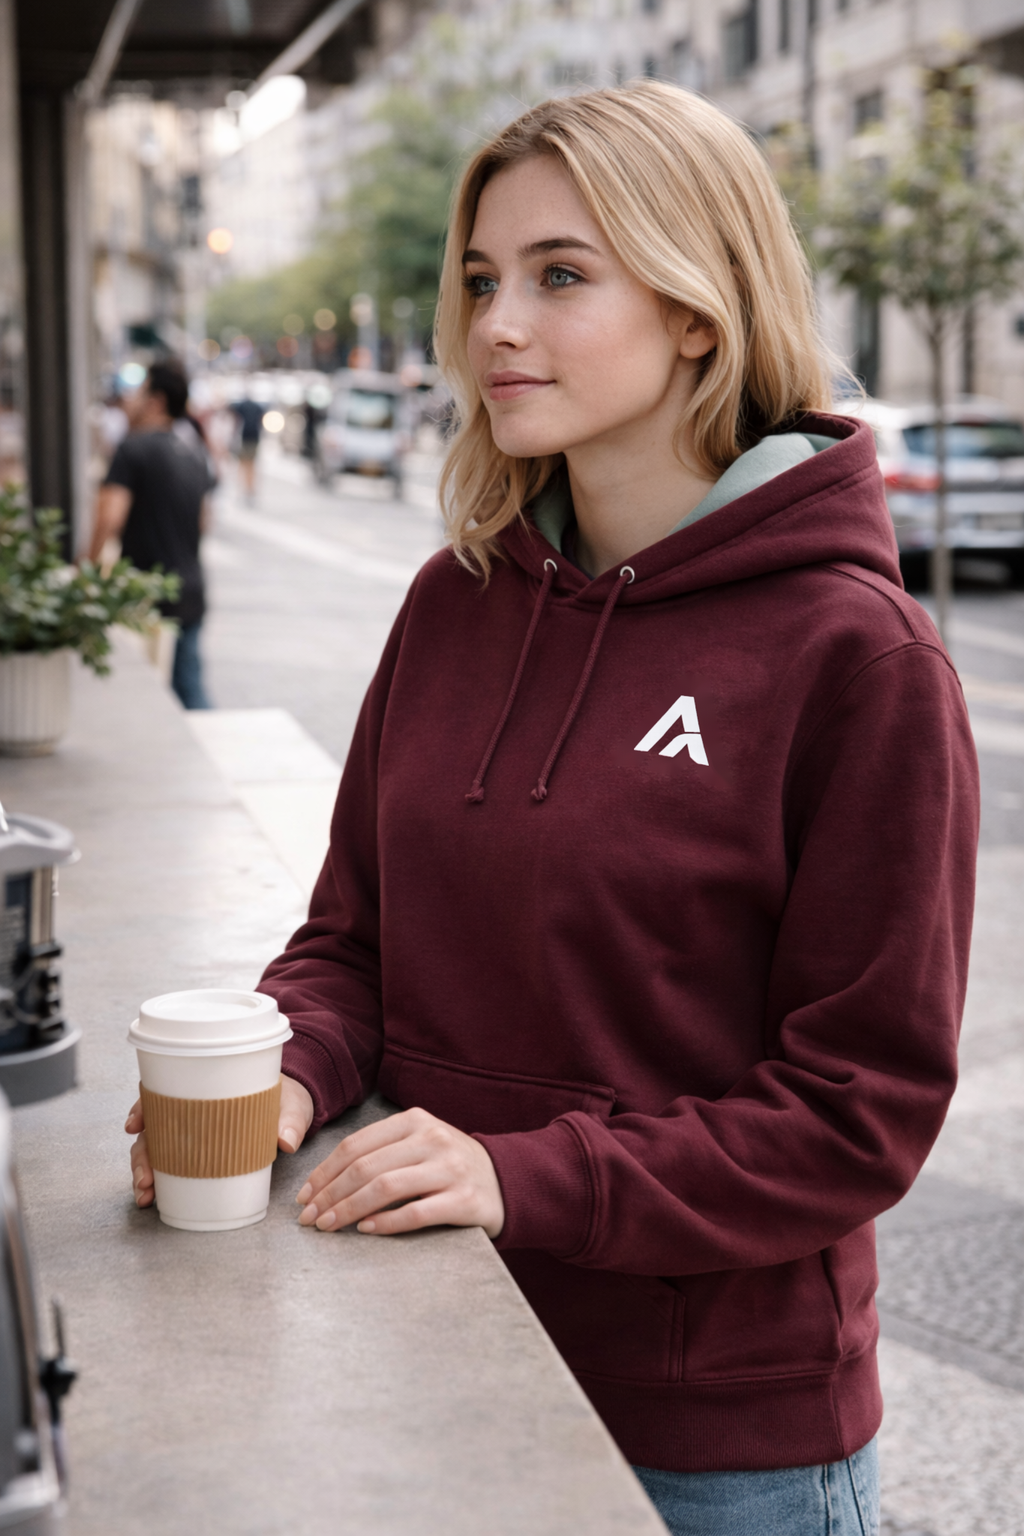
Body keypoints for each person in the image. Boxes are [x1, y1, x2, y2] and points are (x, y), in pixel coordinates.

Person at [127, 83, 978, 1534]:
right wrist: (288, 1077)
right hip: (429, 1348)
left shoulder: (858, 657)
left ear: (697, 310)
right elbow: (351, 941)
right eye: (479, 282)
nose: (495, 328)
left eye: (560, 276)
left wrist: (522, 1177)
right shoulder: (454, 602)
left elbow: (859, 1113)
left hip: (714, 1446)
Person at [90, 358, 215, 710]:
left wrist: (86, 571)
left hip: (145, 595)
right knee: (188, 687)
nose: (130, 400)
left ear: (156, 401)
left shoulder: (132, 450)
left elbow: (109, 518)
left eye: (138, 391)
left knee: (147, 699)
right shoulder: (194, 452)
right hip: (190, 588)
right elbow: (204, 521)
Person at [229, 391, 264, 502]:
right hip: (254, 437)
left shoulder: (242, 406)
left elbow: (236, 420)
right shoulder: (257, 407)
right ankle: (249, 489)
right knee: (251, 465)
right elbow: (261, 421)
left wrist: (233, 435)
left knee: (243, 465)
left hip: (245, 437)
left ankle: (244, 489)